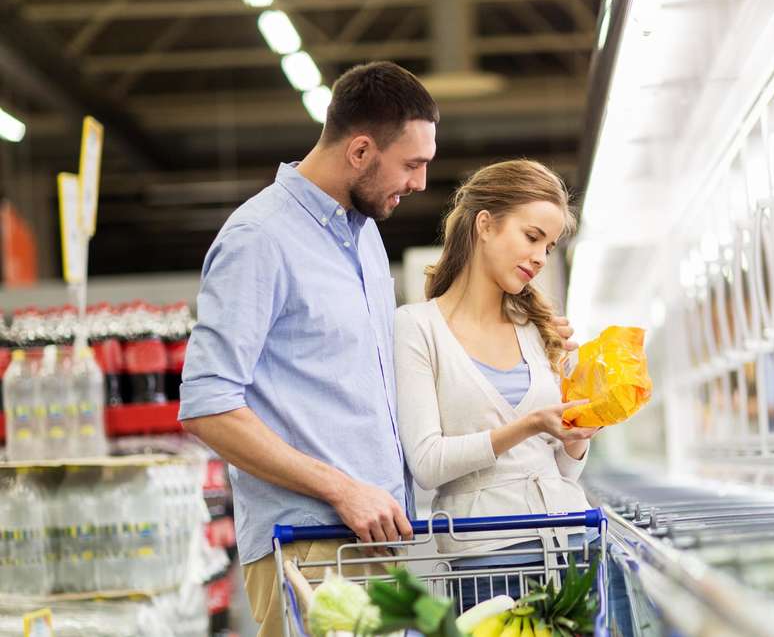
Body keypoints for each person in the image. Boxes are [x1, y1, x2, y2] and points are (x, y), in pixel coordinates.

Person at [176, 63, 578, 636]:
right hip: (308, 547)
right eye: (411, 164)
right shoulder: (258, 240)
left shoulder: (363, 236)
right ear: (361, 150)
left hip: (381, 541)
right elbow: (207, 405)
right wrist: (341, 489)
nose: (419, 184)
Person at [393, 159, 598, 606]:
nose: (541, 258)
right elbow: (427, 463)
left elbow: (564, 468)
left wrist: (579, 435)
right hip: (485, 558)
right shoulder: (417, 328)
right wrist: (532, 424)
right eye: (532, 237)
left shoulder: (539, 330)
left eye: (550, 245)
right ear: (485, 225)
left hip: (573, 545)